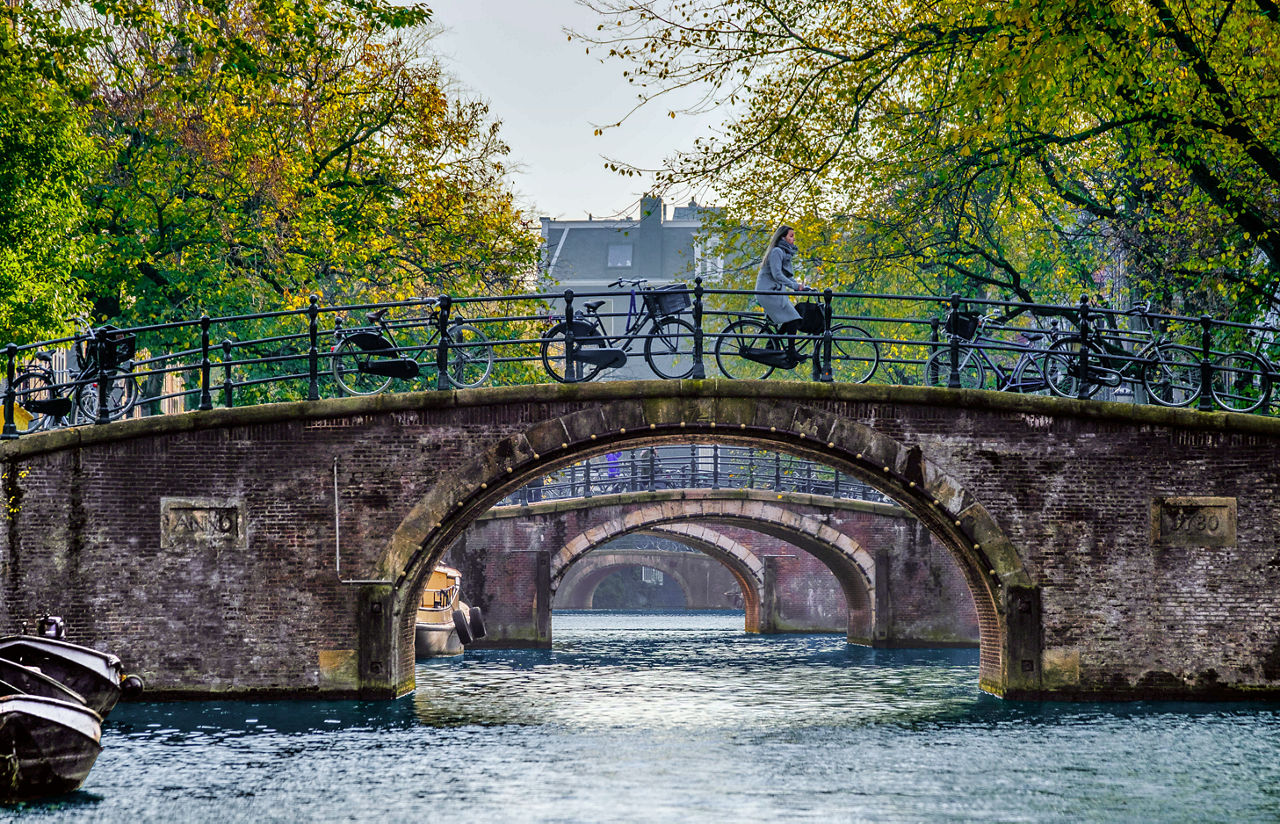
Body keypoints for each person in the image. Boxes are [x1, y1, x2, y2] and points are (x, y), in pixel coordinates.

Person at [754, 224, 813, 365]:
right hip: (768, 293)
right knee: (794, 319)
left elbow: (787, 275)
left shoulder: (783, 253)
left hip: (774, 292)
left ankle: (772, 344)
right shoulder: (777, 252)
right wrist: (794, 286)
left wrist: (801, 287)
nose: (793, 239)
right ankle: (791, 352)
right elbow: (777, 274)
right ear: (782, 237)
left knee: (792, 317)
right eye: (791, 236)